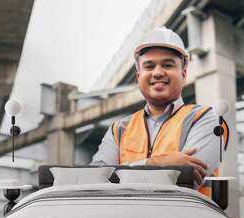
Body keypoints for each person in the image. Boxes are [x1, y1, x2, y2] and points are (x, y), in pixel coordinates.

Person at [91, 27, 227, 196]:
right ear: (138, 76)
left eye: (167, 65)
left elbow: (182, 182)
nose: (157, 73)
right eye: (149, 66)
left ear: (183, 73)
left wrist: (120, 174)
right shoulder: (119, 129)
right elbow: (94, 181)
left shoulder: (205, 119)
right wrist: (155, 164)